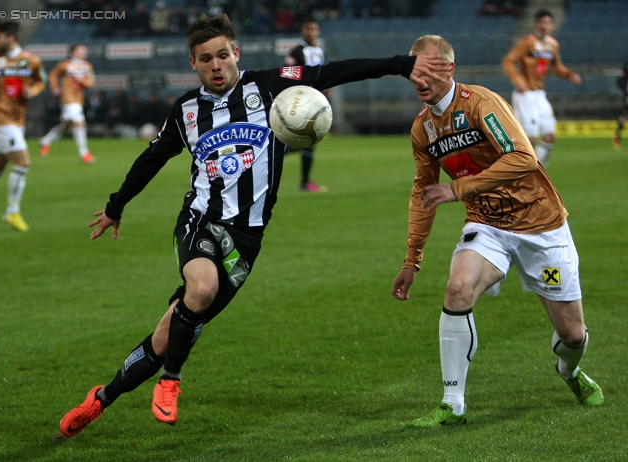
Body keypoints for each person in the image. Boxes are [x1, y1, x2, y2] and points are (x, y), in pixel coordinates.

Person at [59, 13, 448, 438]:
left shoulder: (270, 84)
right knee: (202, 288)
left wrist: (399, 63)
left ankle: (100, 399)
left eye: (222, 55)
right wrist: (116, 206)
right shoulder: (186, 110)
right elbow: (151, 158)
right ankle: (171, 381)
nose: (216, 64)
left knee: (165, 335)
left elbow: (334, 71)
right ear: (194, 63)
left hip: (247, 239)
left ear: (236, 53)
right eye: (205, 59)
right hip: (201, 220)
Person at [391, 35, 603, 427]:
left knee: (572, 334)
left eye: (426, 69)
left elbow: (523, 158)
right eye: (412, 70)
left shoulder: (480, 103)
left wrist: (459, 188)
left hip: (541, 226)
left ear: (448, 70)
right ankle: (452, 402)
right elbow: (423, 192)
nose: (417, 78)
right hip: (487, 224)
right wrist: (412, 259)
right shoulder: (422, 129)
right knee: (457, 288)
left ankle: (569, 371)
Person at [502, 9, 581, 165]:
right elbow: (508, 61)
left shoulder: (552, 44)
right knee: (529, 138)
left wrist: (570, 75)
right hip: (525, 94)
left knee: (550, 135)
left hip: (539, 94)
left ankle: (537, 170)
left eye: (548, 22)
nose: (545, 26)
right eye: (542, 22)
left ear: (551, 25)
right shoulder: (528, 42)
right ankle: (515, 169)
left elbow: (556, 67)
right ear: (536, 24)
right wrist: (518, 82)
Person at [0, 21, 46, 232]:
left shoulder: (31, 60)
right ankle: (12, 212)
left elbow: (41, 81)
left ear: (10, 37)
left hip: (17, 120)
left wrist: (32, 92)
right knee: (23, 163)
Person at [284, 17, 328, 192]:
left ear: (318, 32)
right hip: (301, 100)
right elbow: (286, 71)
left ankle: (304, 182)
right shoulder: (297, 51)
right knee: (308, 140)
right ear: (303, 31)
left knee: (309, 140)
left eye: (313, 29)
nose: (310, 32)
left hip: (314, 99)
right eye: (307, 29)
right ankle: (271, 154)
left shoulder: (318, 50)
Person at [39, 44, 96, 164]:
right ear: (73, 52)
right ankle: (84, 153)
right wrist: (54, 88)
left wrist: (82, 80)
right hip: (67, 99)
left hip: (79, 99)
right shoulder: (65, 65)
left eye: (84, 51)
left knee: (66, 126)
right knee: (80, 122)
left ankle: (45, 140)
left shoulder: (87, 66)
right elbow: (53, 75)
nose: (83, 53)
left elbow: (91, 83)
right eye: (80, 51)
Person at [612, 61, 627, 151]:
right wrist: (625, 90)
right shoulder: (626, 66)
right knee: (624, 116)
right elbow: (619, 80)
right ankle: (617, 136)